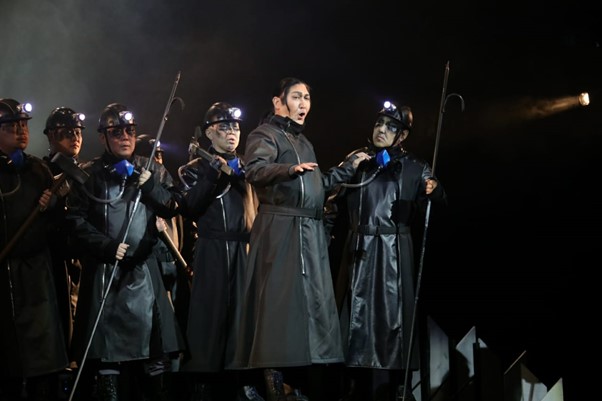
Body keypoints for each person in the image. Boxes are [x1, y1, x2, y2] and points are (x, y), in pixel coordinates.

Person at [227, 78, 370, 401]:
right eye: (296, 96)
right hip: (280, 229)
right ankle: (273, 385)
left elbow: (318, 186)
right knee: (278, 307)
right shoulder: (264, 134)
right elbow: (255, 170)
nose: (303, 103)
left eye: (306, 97)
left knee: (307, 312)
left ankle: (296, 386)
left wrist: (348, 167)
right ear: (278, 102)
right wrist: (288, 170)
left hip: (308, 233)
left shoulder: (304, 142)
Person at [325, 101, 447, 401]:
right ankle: (350, 384)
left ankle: (394, 385)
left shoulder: (415, 166)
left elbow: (438, 205)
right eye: (379, 123)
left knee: (393, 320)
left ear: (402, 135)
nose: (381, 130)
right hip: (359, 249)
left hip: (394, 252)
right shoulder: (358, 160)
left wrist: (434, 191)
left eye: (390, 127)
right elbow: (330, 198)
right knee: (352, 318)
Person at [64, 103, 185, 401]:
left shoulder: (151, 167)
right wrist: (105, 246)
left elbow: (175, 205)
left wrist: (151, 186)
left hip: (144, 272)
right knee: (107, 352)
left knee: (154, 349)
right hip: (106, 272)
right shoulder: (89, 173)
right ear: (103, 137)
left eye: (130, 131)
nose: (125, 137)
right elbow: (74, 220)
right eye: (116, 132)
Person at [177, 102, 262, 401]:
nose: (231, 132)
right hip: (212, 249)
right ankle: (203, 381)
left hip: (246, 248)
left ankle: (244, 380)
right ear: (209, 132)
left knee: (244, 316)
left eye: (235, 127)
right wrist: (214, 175)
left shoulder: (251, 168)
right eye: (224, 127)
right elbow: (190, 207)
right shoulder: (192, 169)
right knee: (208, 317)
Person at [0, 98, 70, 400]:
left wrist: (54, 207)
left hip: (36, 276)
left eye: (23, 124)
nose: (21, 130)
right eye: (12, 125)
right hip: (4, 276)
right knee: (7, 361)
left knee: (43, 359)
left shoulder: (39, 170)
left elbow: (59, 229)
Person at [42, 107, 87, 355]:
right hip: (52, 257)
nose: (75, 137)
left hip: (81, 255)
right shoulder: (40, 172)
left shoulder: (87, 173)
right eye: (67, 132)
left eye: (78, 132)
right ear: (51, 135)